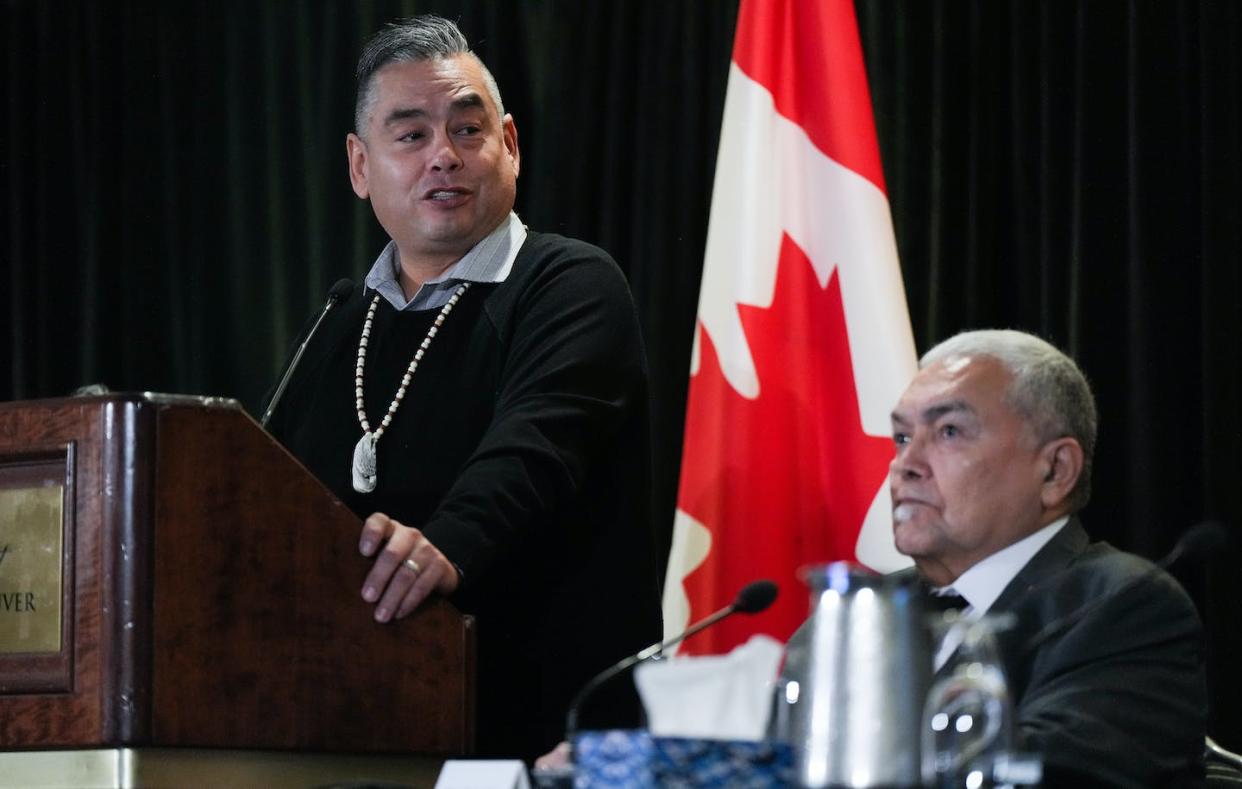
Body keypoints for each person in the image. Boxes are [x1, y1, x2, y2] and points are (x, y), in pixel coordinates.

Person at [264, 15, 662, 760]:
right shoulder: (337, 323)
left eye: (467, 129)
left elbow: (534, 447)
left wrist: (441, 546)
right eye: (411, 136)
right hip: (352, 735)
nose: (443, 156)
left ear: (509, 144)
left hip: (547, 738)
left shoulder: (568, 284)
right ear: (359, 166)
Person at [889, 329, 1206, 787]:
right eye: (901, 436)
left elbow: (1058, 774)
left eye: (949, 432)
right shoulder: (862, 612)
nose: (906, 463)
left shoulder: (1126, 608)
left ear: (1055, 470)